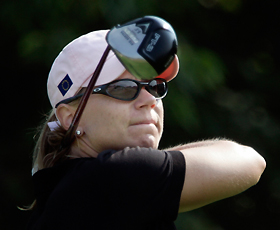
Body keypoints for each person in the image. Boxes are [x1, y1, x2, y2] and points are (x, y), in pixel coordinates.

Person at [26, 29, 266, 230]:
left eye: (154, 86)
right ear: (70, 118)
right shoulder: (113, 177)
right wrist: (150, 165)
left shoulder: (70, 186)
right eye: (123, 88)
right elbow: (251, 161)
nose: (149, 99)